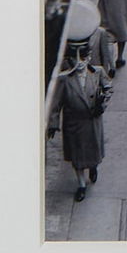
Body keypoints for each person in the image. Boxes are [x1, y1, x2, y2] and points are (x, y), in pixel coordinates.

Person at [51, 25, 108, 202]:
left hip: (91, 121)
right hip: (73, 123)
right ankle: (81, 184)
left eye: (83, 58)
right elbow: (56, 105)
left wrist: (102, 102)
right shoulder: (64, 79)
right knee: (77, 156)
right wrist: (53, 124)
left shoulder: (97, 73)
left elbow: (108, 88)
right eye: (76, 59)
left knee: (92, 152)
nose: (80, 63)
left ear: (88, 58)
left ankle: (93, 167)